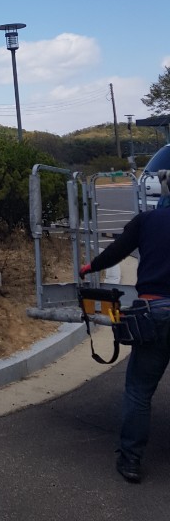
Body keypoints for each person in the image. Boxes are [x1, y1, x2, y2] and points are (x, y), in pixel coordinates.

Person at [79, 169, 170, 483]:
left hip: (154, 312)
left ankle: (131, 460)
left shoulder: (147, 221)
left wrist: (89, 267)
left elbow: (116, 251)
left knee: (139, 391)